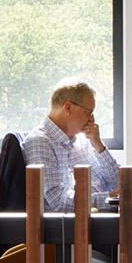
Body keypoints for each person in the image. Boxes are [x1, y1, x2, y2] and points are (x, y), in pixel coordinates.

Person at [24, 78, 121, 213]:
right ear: (68, 108)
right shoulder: (40, 141)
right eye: (89, 113)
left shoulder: (82, 141)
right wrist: (110, 198)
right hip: (72, 227)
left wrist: (98, 145)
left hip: (100, 218)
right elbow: (58, 202)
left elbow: (117, 182)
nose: (91, 120)